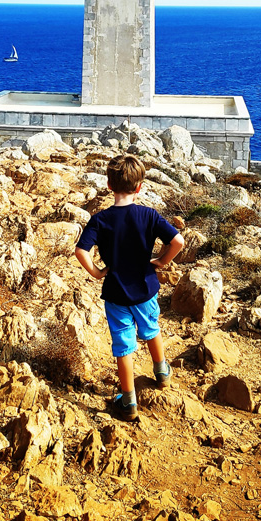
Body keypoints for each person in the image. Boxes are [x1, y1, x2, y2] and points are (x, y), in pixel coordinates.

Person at [74, 153, 185, 421]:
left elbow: (81, 251)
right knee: (151, 329)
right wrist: (160, 261)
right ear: (139, 187)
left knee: (123, 344)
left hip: (116, 293)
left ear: (109, 186)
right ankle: (162, 372)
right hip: (145, 288)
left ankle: (129, 399)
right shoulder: (148, 215)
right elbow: (178, 241)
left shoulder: (100, 220)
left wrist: (98, 273)